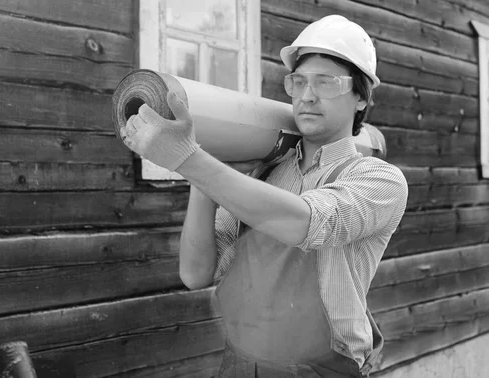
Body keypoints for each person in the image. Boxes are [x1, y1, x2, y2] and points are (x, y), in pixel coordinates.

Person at [119, 14, 408, 378]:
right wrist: (202, 173)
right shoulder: (265, 174)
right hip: (242, 362)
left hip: (320, 370)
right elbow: (195, 274)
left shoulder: (377, 179)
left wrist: (188, 158)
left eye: (327, 83)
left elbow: (304, 221)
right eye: (297, 81)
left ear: (362, 98)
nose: (307, 96)